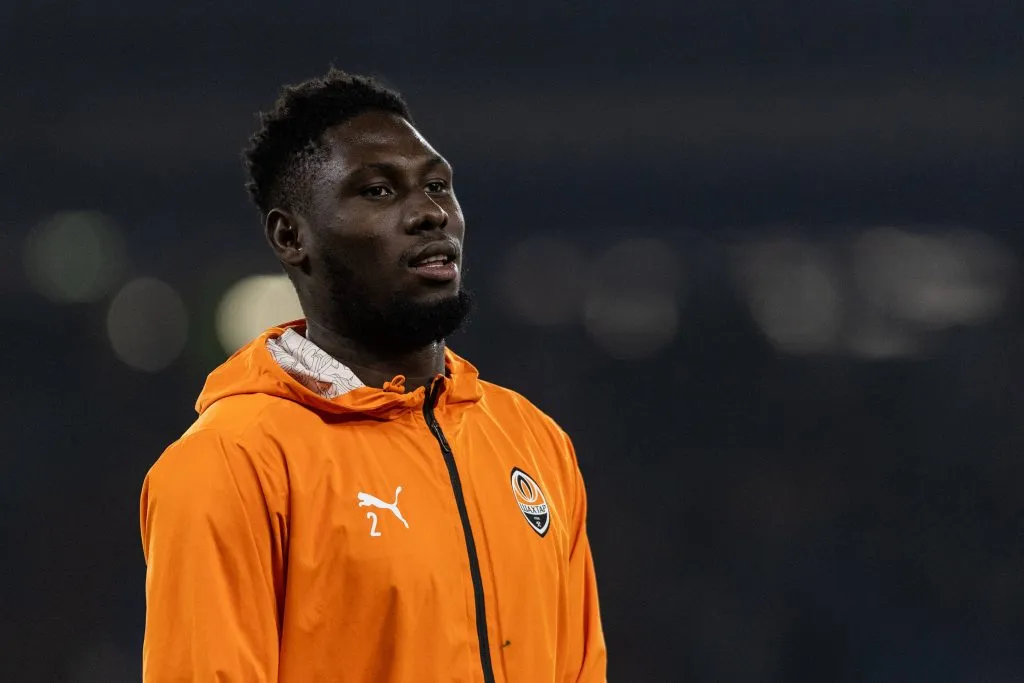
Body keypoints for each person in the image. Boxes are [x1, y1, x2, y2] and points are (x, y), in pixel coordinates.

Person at [140, 69, 607, 682]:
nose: (430, 214)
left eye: (437, 186)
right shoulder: (233, 462)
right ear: (291, 236)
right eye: (379, 191)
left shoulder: (535, 443)